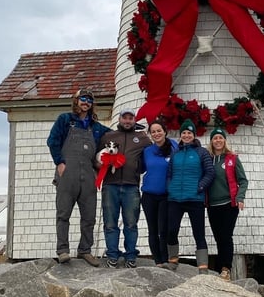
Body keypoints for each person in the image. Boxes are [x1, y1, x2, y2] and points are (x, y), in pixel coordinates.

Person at [47, 88, 111, 266]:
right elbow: (52, 141)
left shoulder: (96, 127)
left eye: (89, 100)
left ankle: (85, 250)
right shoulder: (65, 120)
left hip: (89, 175)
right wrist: (59, 162)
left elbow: (116, 135)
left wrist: (135, 132)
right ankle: (63, 250)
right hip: (68, 173)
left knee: (89, 216)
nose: (86, 102)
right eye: (83, 99)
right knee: (63, 213)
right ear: (76, 101)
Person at [98, 109, 151, 268]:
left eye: (130, 118)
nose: (127, 121)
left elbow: (152, 155)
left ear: (134, 120)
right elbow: (98, 156)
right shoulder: (108, 136)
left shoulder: (142, 138)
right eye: (124, 118)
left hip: (131, 187)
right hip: (110, 185)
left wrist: (138, 168)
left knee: (131, 223)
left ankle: (130, 256)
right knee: (110, 223)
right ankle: (113, 255)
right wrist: (101, 164)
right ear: (119, 119)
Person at [166, 119, 215, 274]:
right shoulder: (175, 154)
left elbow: (210, 172)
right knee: (172, 230)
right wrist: (170, 187)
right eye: (184, 133)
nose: (186, 135)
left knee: (198, 232)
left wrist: (200, 187)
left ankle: (202, 266)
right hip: (175, 199)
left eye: (189, 133)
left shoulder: (202, 152)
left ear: (194, 135)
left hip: (195, 199)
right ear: (181, 136)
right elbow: (169, 174)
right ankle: (173, 259)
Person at [207, 128, 249, 281]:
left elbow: (243, 180)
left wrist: (240, 197)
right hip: (212, 205)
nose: (218, 140)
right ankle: (220, 269)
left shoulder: (232, 158)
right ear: (211, 141)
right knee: (218, 237)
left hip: (228, 204)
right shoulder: (208, 159)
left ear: (224, 140)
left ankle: (226, 268)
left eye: (220, 137)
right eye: (215, 138)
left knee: (226, 236)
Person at [140, 120, 179, 267]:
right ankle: (157, 261)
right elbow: (141, 169)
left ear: (165, 131)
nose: (156, 134)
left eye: (159, 130)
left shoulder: (175, 146)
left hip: (166, 194)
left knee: (164, 228)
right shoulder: (147, 151)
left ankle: (165, 258)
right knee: (153, 229)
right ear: (150, 134)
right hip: (149, 195)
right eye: (153, 131)